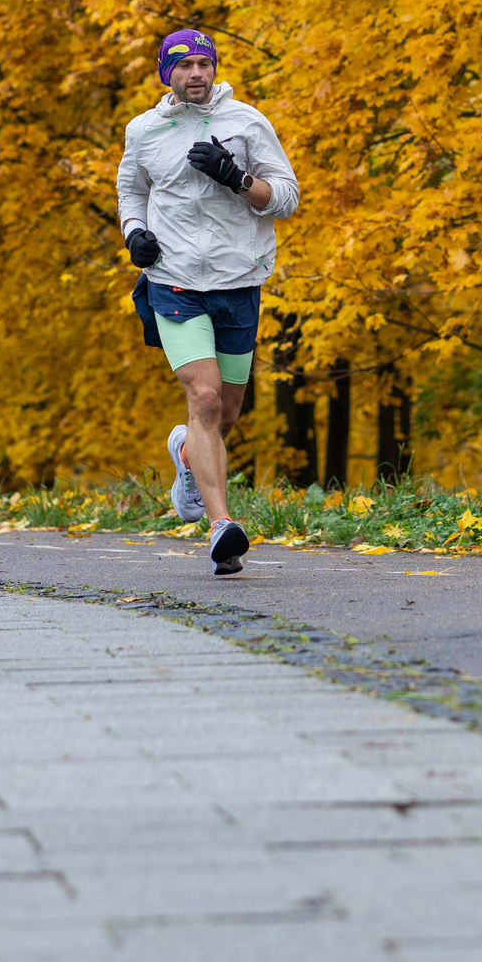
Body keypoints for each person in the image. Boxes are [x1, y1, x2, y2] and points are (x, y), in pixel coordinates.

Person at [116, 29, 300, 575]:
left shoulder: (246, 122)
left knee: (227, 412)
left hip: (238, 280)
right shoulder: (144, 131)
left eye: (204, 64)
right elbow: (131, 190)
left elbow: (287, 197)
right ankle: (222, 527)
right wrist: (133, 233)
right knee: (205, 398)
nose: (196, 73)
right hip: (172, 279)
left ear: (214, 69)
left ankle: (184, 455)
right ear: (165, 73)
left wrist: (239, 179)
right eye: (184, 65)